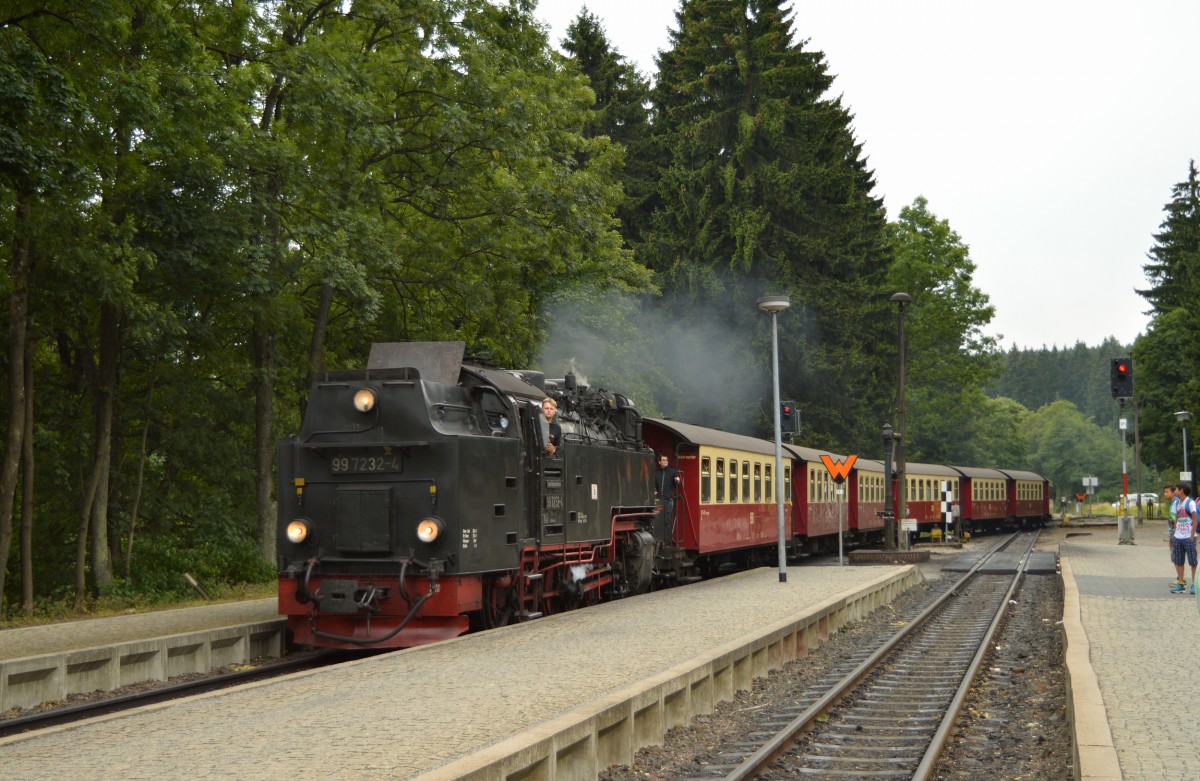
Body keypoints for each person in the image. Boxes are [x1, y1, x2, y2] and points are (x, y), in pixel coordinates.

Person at [1170, 482, 1198, 594]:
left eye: (1176, 489)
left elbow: (1195, 520)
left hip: (1188, 536)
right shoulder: (1176, 503)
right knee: (1179, 561)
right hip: (1178, 536)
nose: (1174, 491)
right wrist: (1175, 531)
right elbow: (1176, 517)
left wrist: (1192, 535)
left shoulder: (1190, 503)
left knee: (1192, 561)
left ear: (1181, 490)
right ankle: (1181, 583)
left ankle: (1194, 584)